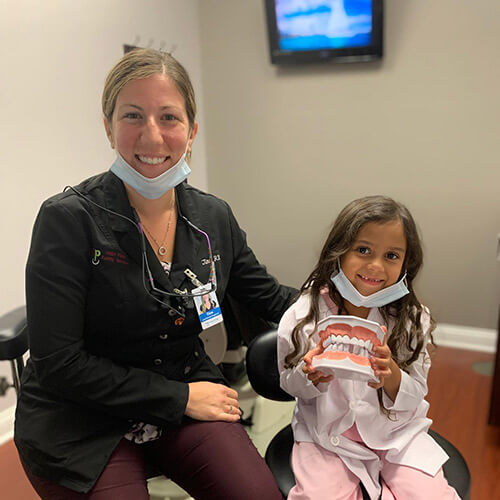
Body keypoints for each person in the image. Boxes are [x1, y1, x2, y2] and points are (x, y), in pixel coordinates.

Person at [14, 48, 296, 499]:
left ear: (192, 131)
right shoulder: (68, 220)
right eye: (132, 116)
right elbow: (59, 365)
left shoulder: (211, 218)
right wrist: (181, 398)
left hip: (185, 396)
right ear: (108, 128)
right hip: (80, 418)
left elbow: (268, 297)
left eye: (169, 117)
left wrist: (349, 309)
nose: (152, 136)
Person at [277, 196, 460, 500]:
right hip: (327, 436)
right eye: (363, 250)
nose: (375, 266)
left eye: (391, 255)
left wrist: (393, 377)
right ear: (339, 251)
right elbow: (288, 382)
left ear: (406, 263)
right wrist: (308, 375)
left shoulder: (412, 319)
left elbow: (416, 392)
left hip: (395, 434)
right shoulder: (304, 314)